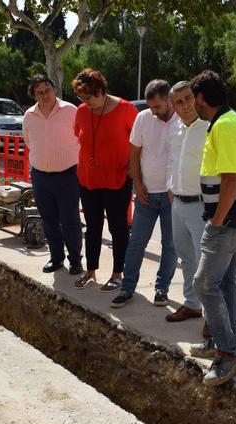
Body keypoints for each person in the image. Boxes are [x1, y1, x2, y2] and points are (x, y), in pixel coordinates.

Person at [189, 70, 236, 387]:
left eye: (192, 100)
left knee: (204, 284)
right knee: (224, 282)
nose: (192, 106)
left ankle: (228, 354)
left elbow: (230, 180)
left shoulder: (226, 126)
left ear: (201, 98)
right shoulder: (233, 121)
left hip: (226, 221)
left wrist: (215, 223)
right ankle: (222, 342)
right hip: (235, 218)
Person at [110, 80, 178, 309]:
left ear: (168, 99)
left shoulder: (183, 119)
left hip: (173, 197)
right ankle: (127, 288)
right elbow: (134, 154)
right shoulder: (144, 118)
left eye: (158, 106)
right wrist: (137, 185)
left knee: (170, 245)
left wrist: (177, 187)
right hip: (146, 194)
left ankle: (162, 289)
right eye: (151, 107)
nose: (154, 111)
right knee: (137, 242)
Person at [71, 68, 138, 291]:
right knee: (92, 227)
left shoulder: (126, 109)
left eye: (88, 97)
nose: (85, 102)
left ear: (100, 91)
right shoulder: (81, 111)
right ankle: (90, 271)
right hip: (88, 179)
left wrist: (134, 162)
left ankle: (118, 273)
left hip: (117, 179)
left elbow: (139, 140)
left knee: (118, 227)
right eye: (81, 98)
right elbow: (79, 136)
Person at [23, 74, 83, 275]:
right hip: (40, 177)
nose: (45, 94)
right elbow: (29, 141)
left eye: (47, 89)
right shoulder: (29, 116)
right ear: (34, 96)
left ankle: (75, 261)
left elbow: (81, 138)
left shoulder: (71, 111)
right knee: (48, 220)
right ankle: (56, 258)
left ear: (54, 89)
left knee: (70, 220)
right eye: (39, 92)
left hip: (68, 176)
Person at [164, 80, 208, 323]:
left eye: (188, 98)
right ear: (173, 105)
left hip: (202, 205)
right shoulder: (175, 129)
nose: (185, 105)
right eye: (178, 102)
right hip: (179, 203)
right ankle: (192, 304)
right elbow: (172, 159)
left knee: (208, 264)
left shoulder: (210, 128)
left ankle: (214, 320)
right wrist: (171, 187)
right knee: (186, 257)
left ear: (197, 98)